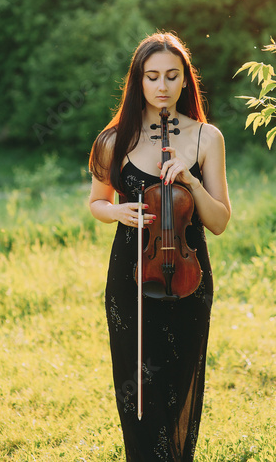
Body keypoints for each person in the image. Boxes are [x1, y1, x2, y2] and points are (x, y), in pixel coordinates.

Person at [88, 31, 231, 462]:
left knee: (178, 380)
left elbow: (220, 221)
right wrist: (116, 213)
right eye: (152, 76)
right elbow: (96, 202)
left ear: (186, 80)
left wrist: (189, 179)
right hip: (130, 277)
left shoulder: (207, 138)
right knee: (136, 389)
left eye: (172, 75)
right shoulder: (113, 140)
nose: (163, 86)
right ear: (139, 80)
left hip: (189, 277)